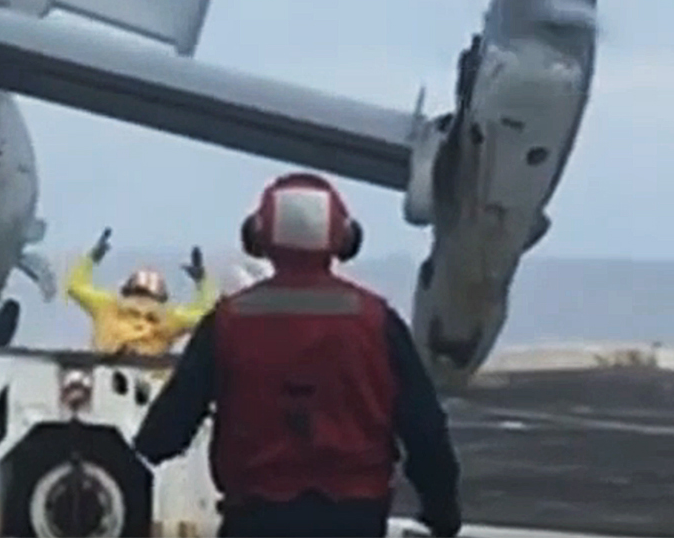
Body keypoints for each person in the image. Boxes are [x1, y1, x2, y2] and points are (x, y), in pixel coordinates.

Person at [131, 173, 462, 538]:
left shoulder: (227, 322)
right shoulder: (377, 321)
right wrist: (441, 513)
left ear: (257, 237)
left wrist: (140, 455)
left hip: (256, 518)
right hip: (354, 520)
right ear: (345, 238)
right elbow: (425, 428)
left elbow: (169, 427)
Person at [67, 228, 218, 357]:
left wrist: (91, 258)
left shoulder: (107, 305)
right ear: (161, 297)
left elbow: (75, 286)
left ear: (127, 291)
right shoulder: (170, 317)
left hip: (105, 370)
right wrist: (202, 282)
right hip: (150, 380)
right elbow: (205, 316)